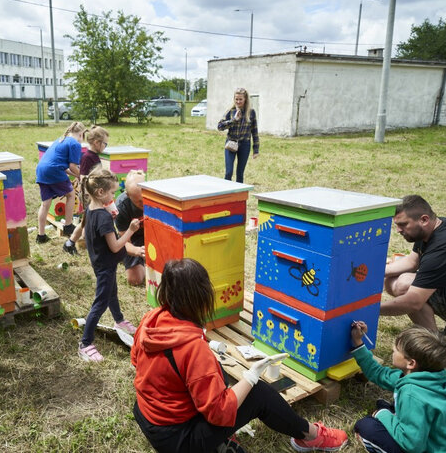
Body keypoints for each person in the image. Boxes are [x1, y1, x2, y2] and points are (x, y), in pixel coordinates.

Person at [131, 258, 349, 453]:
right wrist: (251, 376)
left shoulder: (151, 319)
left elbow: (135, 360)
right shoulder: (193, 349)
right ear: (201, 296)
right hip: (179, 440)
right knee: (259, 394)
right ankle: (310, 436)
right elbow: (219, 412)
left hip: (147, 415)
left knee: (218, 374)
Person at [350, 321, 446, 453]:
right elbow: (379, 374)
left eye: (396, 350)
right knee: (387, 408)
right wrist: (358, 342)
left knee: (366, 426)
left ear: (411, 363)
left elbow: (412, 445)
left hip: (425, 446)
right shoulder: (430, 377)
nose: (392, 350)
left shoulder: (412, 394)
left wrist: (382, 415)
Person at [381, 195, 446, 342]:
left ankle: (435, 348)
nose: (398, 230)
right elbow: (412, 262)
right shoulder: (435, 227)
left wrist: (368, 309)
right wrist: (375, 272)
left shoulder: (445, 245)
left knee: (405, 285)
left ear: (424, 220)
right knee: (392, 278)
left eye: (403, 224)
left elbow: (413, 301)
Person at [78, 167, 141, 362]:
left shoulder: (92, 209)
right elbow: (115, 246)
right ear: (100, 192)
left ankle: (119, 320)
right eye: (113, 192)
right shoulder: (104, 217)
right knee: (101, 302)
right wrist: (130, 231)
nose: (115, 196)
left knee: (112, 292)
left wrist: (110, 210)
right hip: (106, 264)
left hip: (101, 262)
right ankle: (86, 343)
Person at [35, 121, 85, 244]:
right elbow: (73, 166)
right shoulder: (75, 144)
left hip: (41, 170)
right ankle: (68, 226)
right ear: (81, 134)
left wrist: (76, 176)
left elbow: (65, 167)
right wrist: (82, 176)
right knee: (71, 194)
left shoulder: (61, 139)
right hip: (53, 170)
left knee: (45, 203)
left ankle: (41, 236)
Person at [63, 125, 109, 255]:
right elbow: (83, 177)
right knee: (87, 221)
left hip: (94, 195)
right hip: (90, 196)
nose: (106, 146)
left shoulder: (94, 156)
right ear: (96, 143)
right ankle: (71, 243)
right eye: (105, 144)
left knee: (86, 221)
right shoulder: (88, 157)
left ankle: (79, 241)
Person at [217, 87, 260, 183]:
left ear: (245, 99)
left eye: (240, 99)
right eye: (236, 99)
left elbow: (254, 131)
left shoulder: (251, 112)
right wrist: (234, 120)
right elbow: (220, 126)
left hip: (245, 144)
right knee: (228, 172)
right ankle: (225, 195)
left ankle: (238, 197)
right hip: (231, 143)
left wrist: (256, 149)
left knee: (240, 173)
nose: (238, 101)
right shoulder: (230, 111)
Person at [114, 170, 146, 286]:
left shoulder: (157, 198)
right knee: (135, 280)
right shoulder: (121, 206)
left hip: (152, 236)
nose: (144, 204)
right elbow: (124, 242)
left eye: (145, 198)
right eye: (139, 201)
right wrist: (138, 251)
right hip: (132, 239)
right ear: (128, 195)